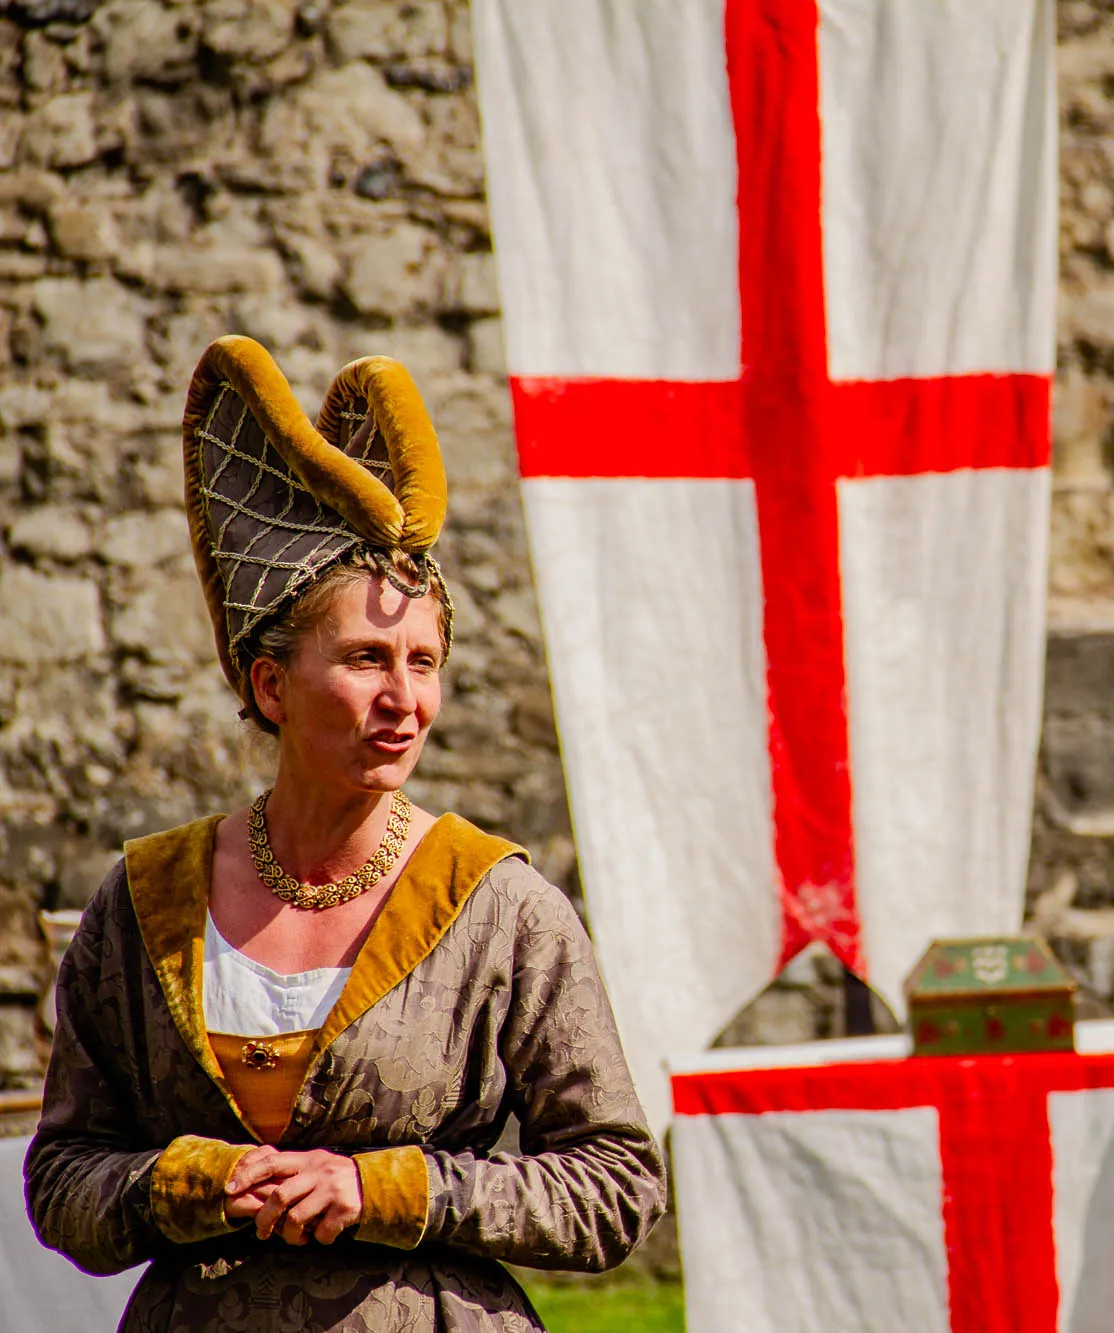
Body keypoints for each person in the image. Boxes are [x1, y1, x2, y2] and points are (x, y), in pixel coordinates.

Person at [26, 336, 667, 1330]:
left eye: (424, 661)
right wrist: (192, 1183)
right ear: (271, 683)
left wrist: (390, 1191)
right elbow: (62, 1177)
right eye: (368, 657)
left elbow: (615, 1188)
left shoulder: (499, 907)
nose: (404, 700)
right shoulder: (146, 904)